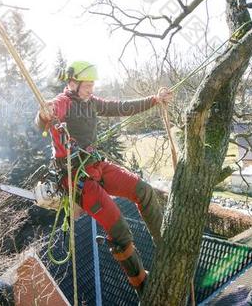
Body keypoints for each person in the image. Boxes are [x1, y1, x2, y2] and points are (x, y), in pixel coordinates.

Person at [35, 60, 173, 295]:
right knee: (119, 230)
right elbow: (44, 119)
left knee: (144, 191)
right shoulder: (62, 103)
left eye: (92, 84)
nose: (91, 89)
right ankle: (141, 283)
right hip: (78, 179)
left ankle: (165, 245)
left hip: (96, 165)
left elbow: (120, 107)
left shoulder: (92, 103)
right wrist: (42, 114)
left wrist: (153, 100)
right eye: (87, 85)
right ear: (72, 83)